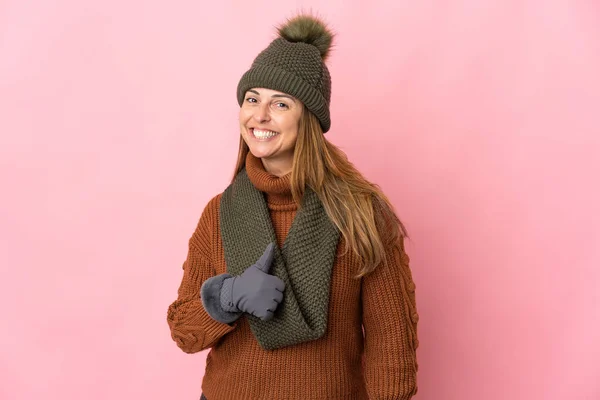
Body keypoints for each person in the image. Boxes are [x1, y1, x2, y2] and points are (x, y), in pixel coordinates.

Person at [167, 13, 419, 400]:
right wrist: (227, 296)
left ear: (309, 119)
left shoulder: (360, 214)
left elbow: (392, 347)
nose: (260, 116)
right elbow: (185, 332)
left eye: (280, 103)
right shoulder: (218, 214)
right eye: (252, 99)